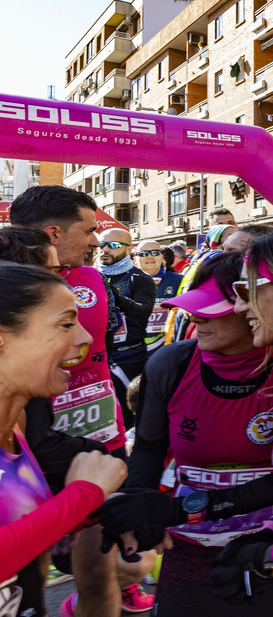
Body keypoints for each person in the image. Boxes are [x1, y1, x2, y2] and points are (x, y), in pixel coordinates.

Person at [111, 253, 273, 617]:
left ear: (253, 309)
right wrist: (140, 505)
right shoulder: (170, 363)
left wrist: (181, 508)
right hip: (190, 543)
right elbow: (150, 448)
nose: (195, 317)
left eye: (211, 310)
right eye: (194, 307)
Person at [9, 185, 129, 617]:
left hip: (93, 446)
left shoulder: (93, 275)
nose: (97, 241)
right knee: (28, 578)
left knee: (99, 575)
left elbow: (102, 349)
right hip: (42, 452)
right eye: (89, 229)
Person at [97, 227, 156, 430]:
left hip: (130, 357)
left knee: (128, 415)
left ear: (128, 248)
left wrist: (117, 298)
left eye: (112, 245)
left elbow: (142, 312)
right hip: (99, 356)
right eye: (101, 244)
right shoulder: (91, 275)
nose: (105, 249)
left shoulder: (140, 279)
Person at [133, 241, 184, 355]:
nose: (150, 257)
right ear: (135, 258)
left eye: (155, 253)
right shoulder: (126, 280)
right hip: (134, 347)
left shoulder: (179, 280)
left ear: (162, 257)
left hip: (167, 346)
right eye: (143, 254)